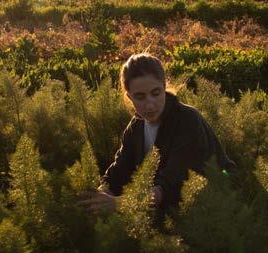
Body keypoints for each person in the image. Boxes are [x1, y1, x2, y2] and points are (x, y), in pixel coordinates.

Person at [78, 53, 235, 216]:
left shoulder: (187, 120)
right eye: (140, 97)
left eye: (156, 93)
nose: (150, 105)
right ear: (129, 97)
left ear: (164, 86)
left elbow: (167, 187)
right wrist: (100, 196)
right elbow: (118, 172)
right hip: (167, 208)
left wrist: (118, 204)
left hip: (215, 206)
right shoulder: (135, 127)